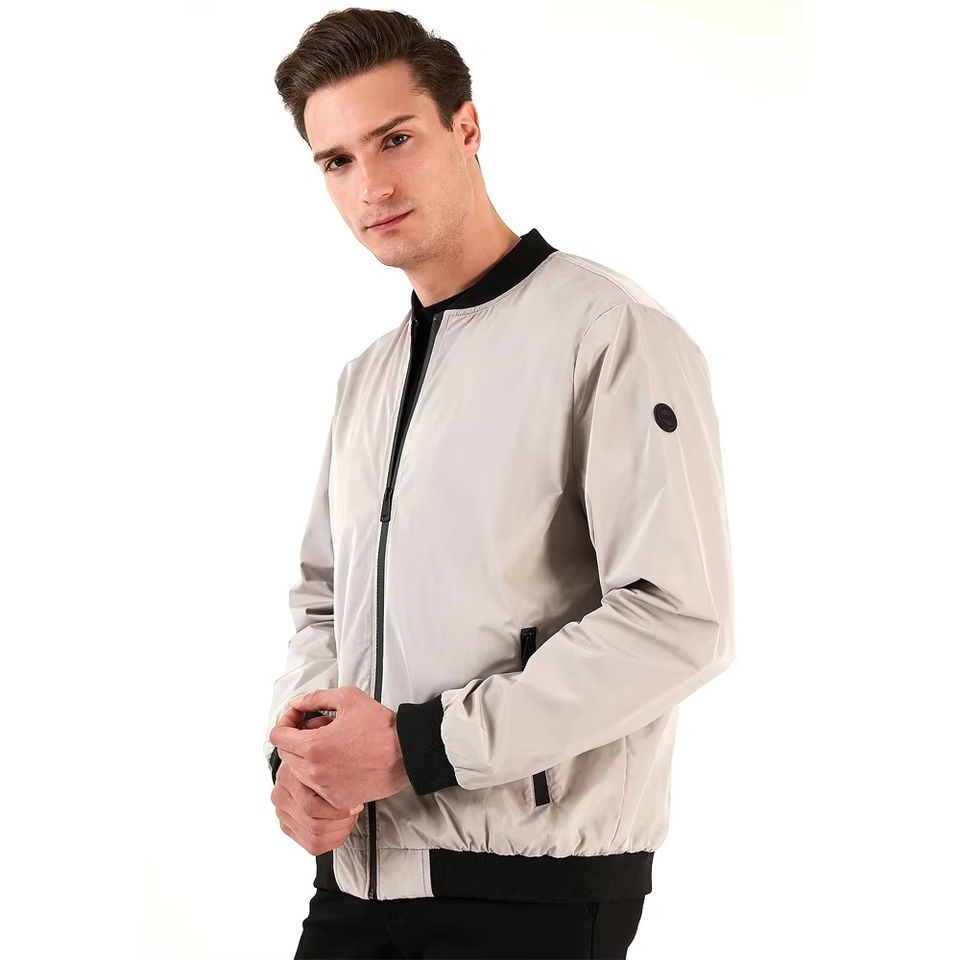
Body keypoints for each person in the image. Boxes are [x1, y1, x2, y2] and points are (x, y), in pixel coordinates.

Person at [263, 8, 736, 959]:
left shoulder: (608, 332)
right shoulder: (368, 377)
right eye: (337, 160)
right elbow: (323, 599)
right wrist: (299, 758)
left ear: (466, 126)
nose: (371, 185)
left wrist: (420, 747)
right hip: (357, 878)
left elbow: (678, 619)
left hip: (529, 892)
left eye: (395, 139)